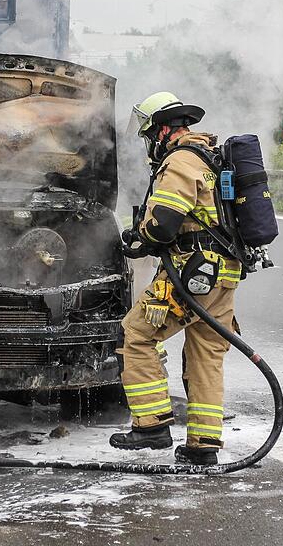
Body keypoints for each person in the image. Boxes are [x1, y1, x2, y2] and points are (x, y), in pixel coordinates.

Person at [111, 92, 242, 466]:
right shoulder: (210, 158)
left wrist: (140, 235)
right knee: (206, 354)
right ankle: (203, 445)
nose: (150, 143)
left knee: (135, 335)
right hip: (222, 275)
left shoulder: (181, 161)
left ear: (163, 130)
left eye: (150, 134)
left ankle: (151, 425)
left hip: (191, 274)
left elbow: (163, 224)